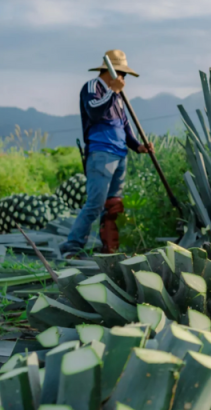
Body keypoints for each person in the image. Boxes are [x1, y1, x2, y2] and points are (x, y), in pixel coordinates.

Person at [61, 50, 152, 257]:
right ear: (111, 71)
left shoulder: (118, 96)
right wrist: (112, 92)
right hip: (101, 153)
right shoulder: (93, 87)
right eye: (122, 74)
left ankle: (110, 249)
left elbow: (124, 124)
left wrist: (138, 146)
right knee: (95, 203)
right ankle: (72, 246)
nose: (123, 79)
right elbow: (94, 111)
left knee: (113, 206)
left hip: (120, 154)